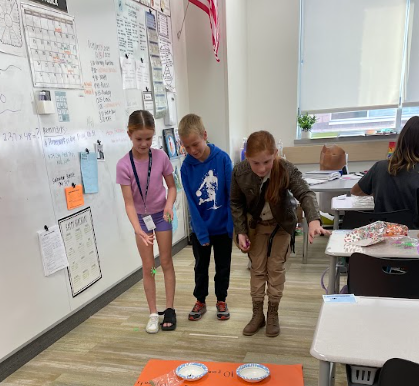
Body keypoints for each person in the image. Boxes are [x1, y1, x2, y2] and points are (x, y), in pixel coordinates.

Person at [231, 130, 329, 338]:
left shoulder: (286, 169)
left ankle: (273, 312)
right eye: (255, 163)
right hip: (255, 227)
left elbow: (305, 192)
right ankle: (257, 314)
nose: (261, 168)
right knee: (257, 270)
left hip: (281, 226)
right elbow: (236, 202)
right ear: (246, 157)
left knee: (275, 268)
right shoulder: (239, 171)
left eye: (266, 161)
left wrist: (313, 219)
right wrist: (240, 231)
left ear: (275, 153)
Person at [116, 110, 177, 334]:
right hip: (141, 221)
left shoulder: (160, 157)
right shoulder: (123, 165)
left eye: (149, 138)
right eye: (139, 138)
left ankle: (169, 309)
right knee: (149, 267)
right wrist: (137, 229)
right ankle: (153, 313)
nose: (144, 143)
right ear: (129, 135)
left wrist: (169, 204)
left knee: (166, 262)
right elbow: (129, 203)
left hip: (162, 216)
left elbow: (171, 187)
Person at [178, 114, 233, 321]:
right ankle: (200, 300)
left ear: (205, 135)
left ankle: (221, 299)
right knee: (200, 267)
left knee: (222, 266)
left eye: (195, 144)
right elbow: (191, 203)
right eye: (186, 146)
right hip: (201, 229)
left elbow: (231, 195)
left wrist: (231, 226)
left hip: (222, 228)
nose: (192, 151)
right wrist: (200, 232)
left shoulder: (223, 159)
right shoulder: (186, 167)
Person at [351, 116, 419, 226]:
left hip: (382, 234)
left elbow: (355, 191)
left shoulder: (380, 167)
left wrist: (379, 189)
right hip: (412, 237)